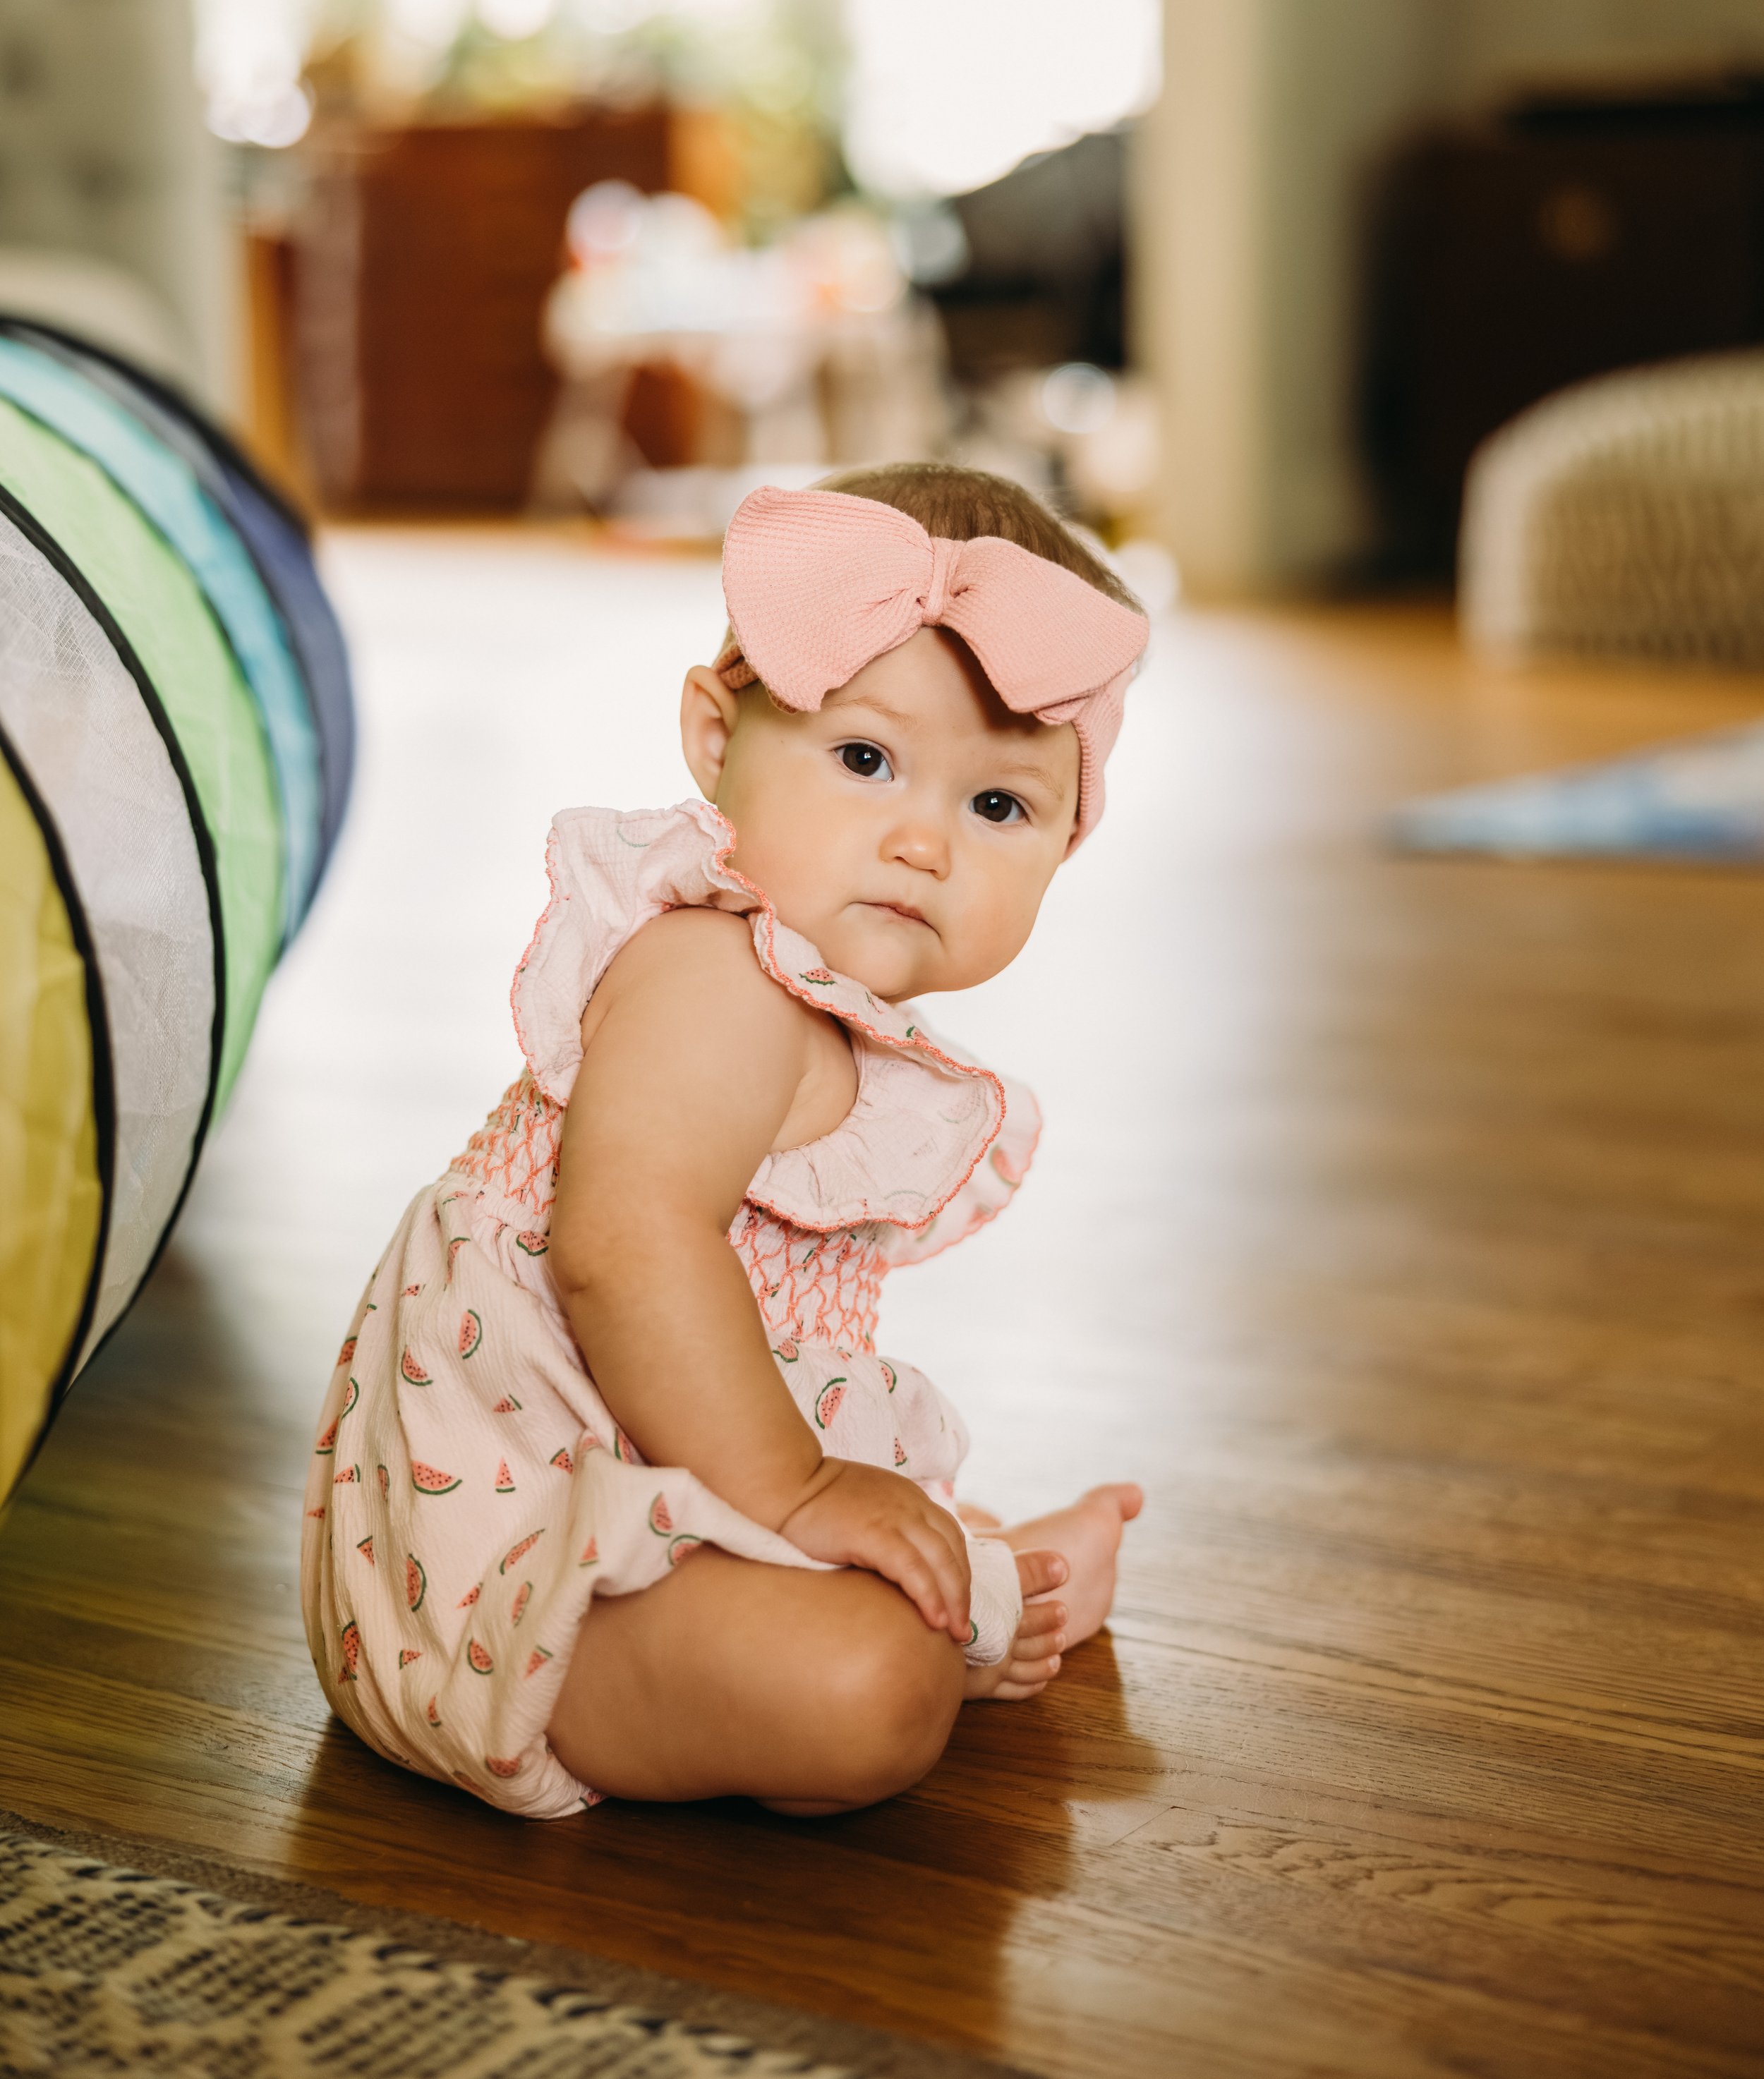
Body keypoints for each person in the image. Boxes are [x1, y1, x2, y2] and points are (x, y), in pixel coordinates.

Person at [302, 463, 1147, 1819]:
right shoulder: (716, 975)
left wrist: (812, 1496)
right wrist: (801, 1489)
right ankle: (971, 1609)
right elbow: (621, 1252)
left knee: (890, 1599)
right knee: (868, 1691)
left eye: (999, 806)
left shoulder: (814, 1008)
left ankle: (983, 1582)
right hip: (503, 1571)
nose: (923, 841)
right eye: (866, 760)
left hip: (652, 1481)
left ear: (1068, 843)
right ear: (714, 737)